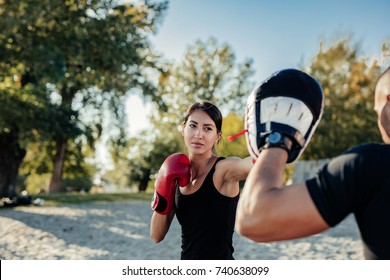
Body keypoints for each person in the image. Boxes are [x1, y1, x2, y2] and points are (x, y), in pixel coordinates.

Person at [235, 66, 390, 260]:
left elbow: (253, 218)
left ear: (387, 100)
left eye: (376, 111)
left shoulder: (369, 165)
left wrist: (279, 139)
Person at [150, 101, 253, 260]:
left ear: (217, 135)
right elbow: (156, 236)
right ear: (183, 128)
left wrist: (272, 142)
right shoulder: (176, 175)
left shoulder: (223, 169)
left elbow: (252, 165)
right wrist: (162, 188)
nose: (199, 134)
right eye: (193, 126)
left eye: (207, 128)